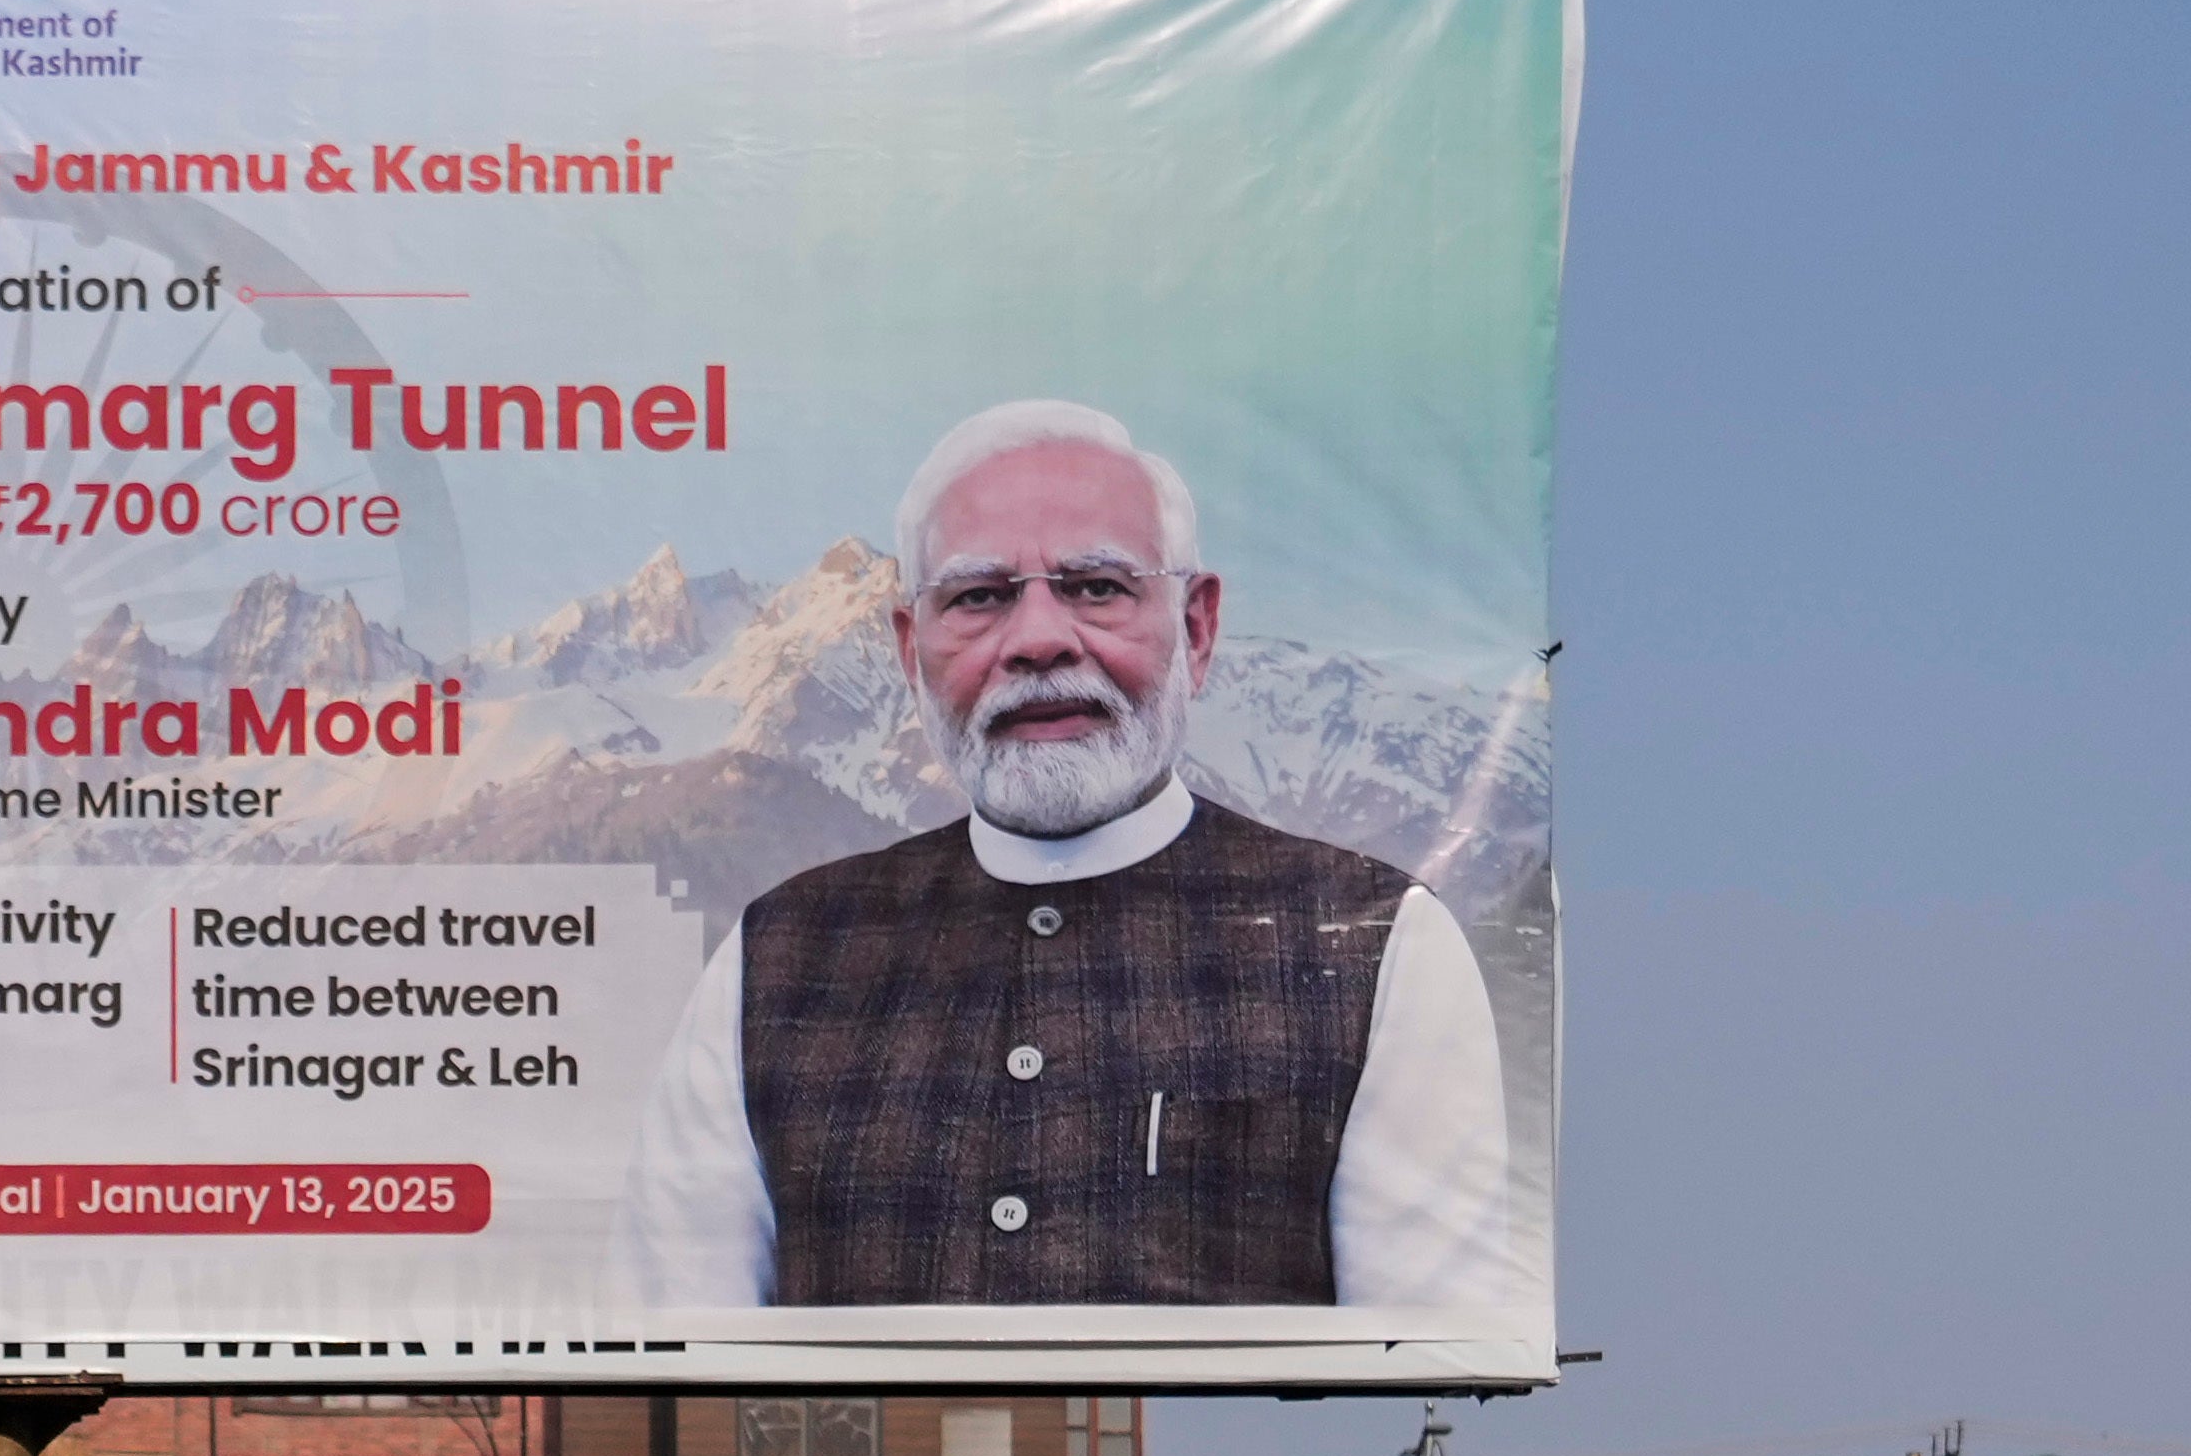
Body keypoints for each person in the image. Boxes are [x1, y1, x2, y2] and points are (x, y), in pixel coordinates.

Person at [612, 399, 1525, 1330]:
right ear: (908, 653)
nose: (1038, 639)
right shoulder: (776, 960)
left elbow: (1430, 1375)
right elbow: (674, 1365)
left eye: (1095, 586)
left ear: (1197, 628)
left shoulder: (1373, 945)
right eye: (978, 596)